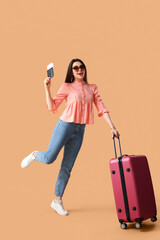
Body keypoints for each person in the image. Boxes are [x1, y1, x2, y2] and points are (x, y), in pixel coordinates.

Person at [21, 58, 120, 216]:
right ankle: (34, 155)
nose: (79, 69)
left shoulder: (92, 88)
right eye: (76, 68)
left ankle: (57, 201)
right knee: (48, 158)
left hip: (80, 130)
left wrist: (112, 127)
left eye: (82, 67)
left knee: (67, 167)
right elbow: (52, 106)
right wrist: (47, 89)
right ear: (71, 71)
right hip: (65, 126)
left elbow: (101, 107)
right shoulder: (67, 86)